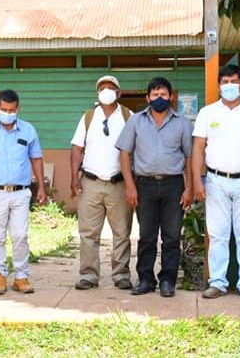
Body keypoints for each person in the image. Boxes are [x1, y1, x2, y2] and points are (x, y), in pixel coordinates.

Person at [192, 65, 240, 301]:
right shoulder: (208, 113)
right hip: (216, 180)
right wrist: (198, 179)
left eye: (234, 81)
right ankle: (218, 282)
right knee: (217, 234)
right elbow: (198, 146)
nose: (230, 86)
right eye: (225, 81)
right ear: (218, 85)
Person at [116, 77, 193, 298]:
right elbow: (124, 153)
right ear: (147, 97)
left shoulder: (182, 123)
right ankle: (146, 280)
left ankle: (168, 280)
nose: (160, 99)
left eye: (164, 95)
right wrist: (130, 186)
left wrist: (189, 188)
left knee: (171, 237)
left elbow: (189, 157)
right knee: (147, 236)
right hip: (144, 185)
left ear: (172, 97)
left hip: (174, 185)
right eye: (155, 95)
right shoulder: (136, 121)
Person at [0, 89, 46, 295]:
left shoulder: (28, 130)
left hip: (21, 192)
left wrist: (41, 186)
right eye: (4, 109)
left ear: (17, 109)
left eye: (12, 110)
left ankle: (21, 277)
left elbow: (36, 158)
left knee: (20, 235)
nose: (8, 113)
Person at [70, 75, 134, 290]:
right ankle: (88, 275)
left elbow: (137, 148)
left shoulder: (129, 116)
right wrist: (73, 177)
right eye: (102, 88)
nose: (106, 91)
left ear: (119, 93)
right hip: (91, 182)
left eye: (111, 87)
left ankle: (121, 274)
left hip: (119, 184)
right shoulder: (88, 117)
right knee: (88, 232)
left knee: (122, 233)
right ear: (97, 93)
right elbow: (77, 148)